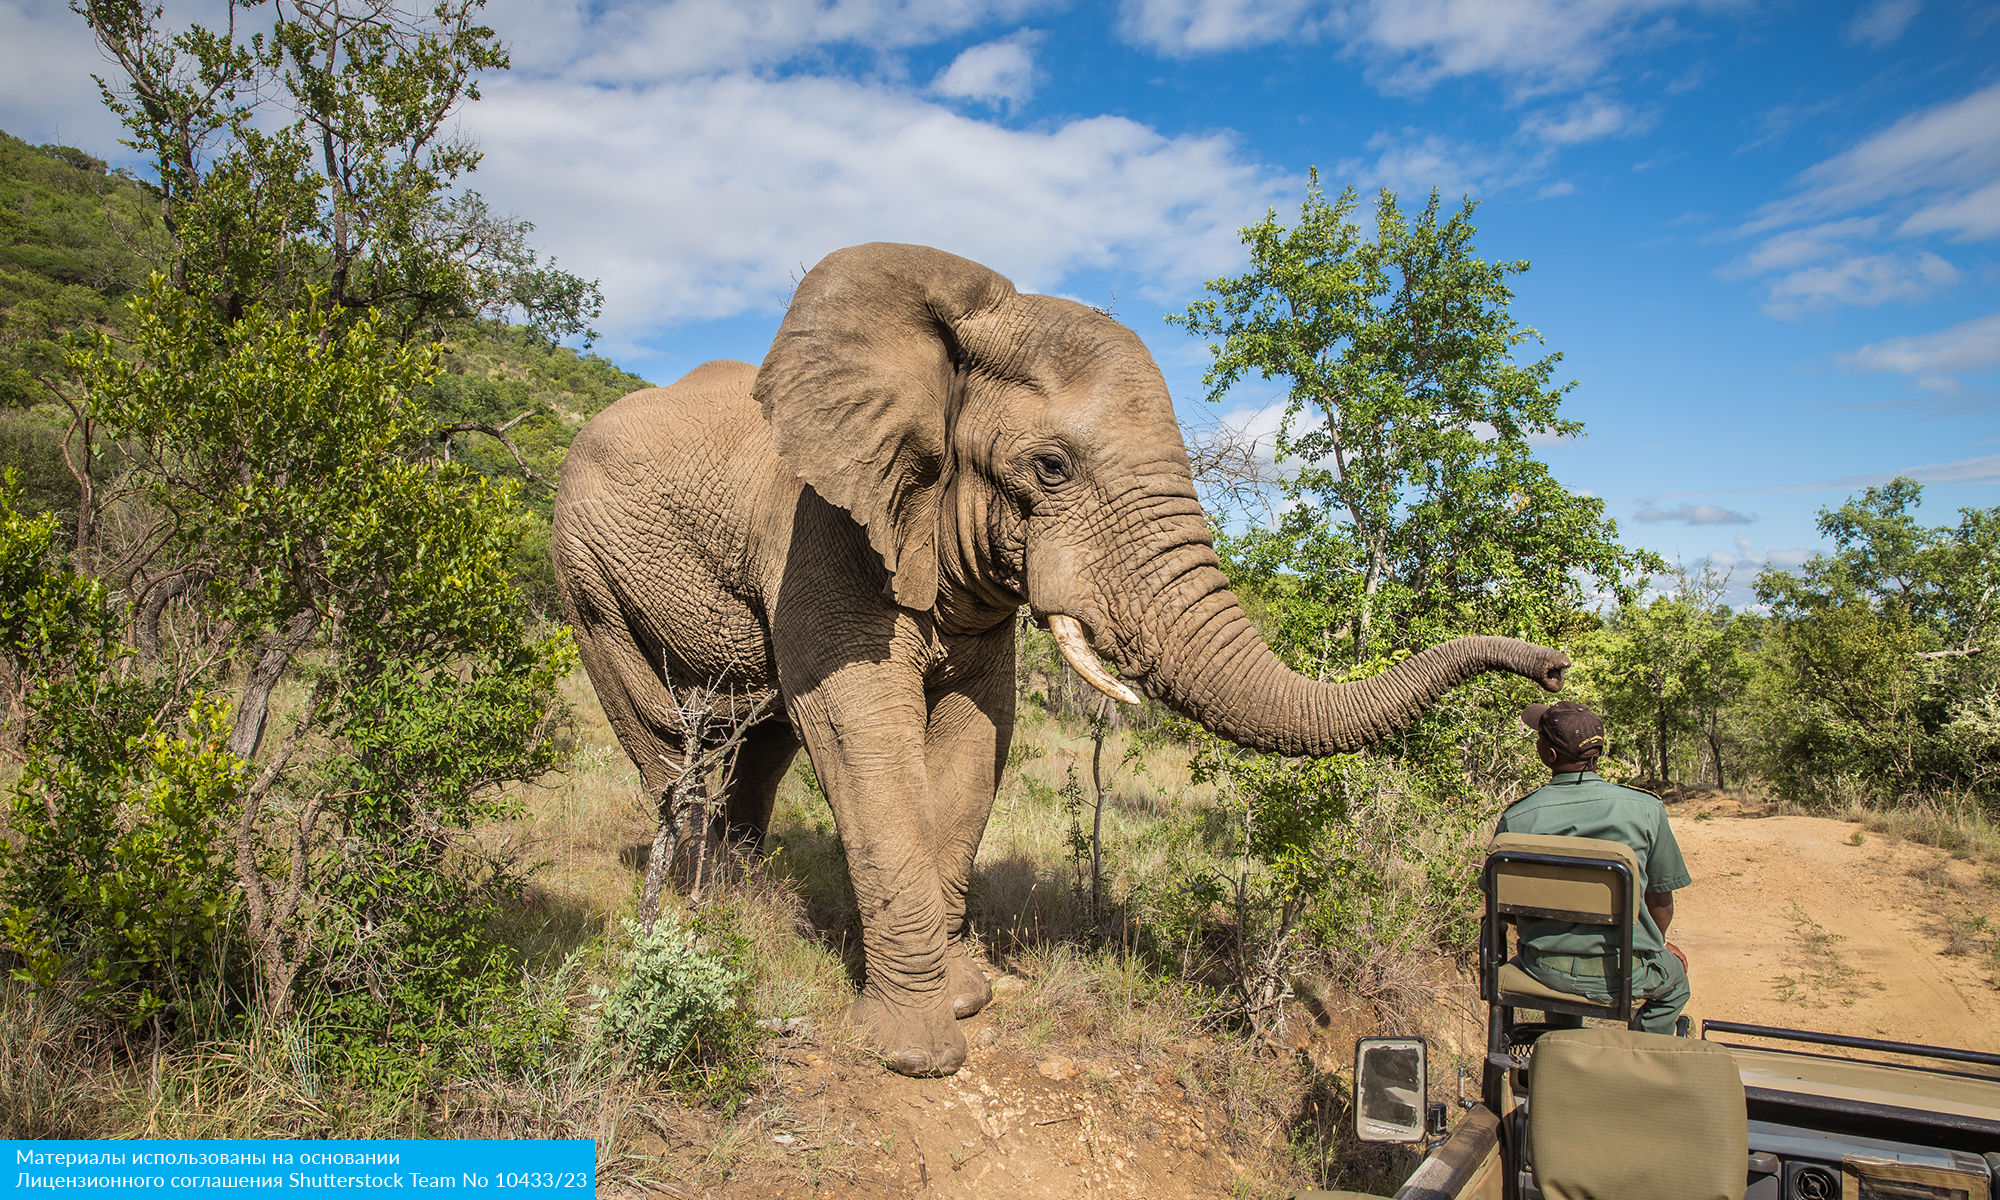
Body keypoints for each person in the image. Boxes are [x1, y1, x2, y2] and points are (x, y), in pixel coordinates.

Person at [1496, 700, 1692, 1034]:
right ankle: (1644, 1056)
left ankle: (1564, 1045)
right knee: (1675, 983)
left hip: (1545, 969)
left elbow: (1507, 909)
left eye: (1539, 738)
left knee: (1558, 990)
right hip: (1628, 970)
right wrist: (1655, 945)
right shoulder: (1646, 809)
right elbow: (1660, 902)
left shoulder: (1518, 818)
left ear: (1550, 756)